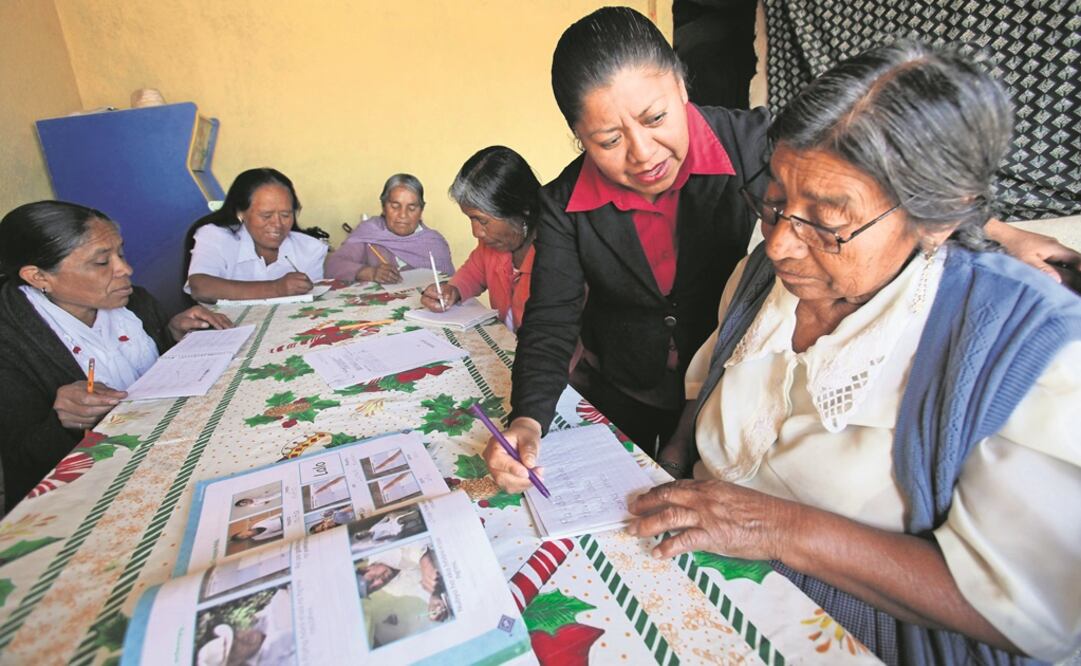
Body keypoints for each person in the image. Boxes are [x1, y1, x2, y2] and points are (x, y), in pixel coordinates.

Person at [626, 42, 1081, 664]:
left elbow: (1032, 613)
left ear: (938, 218)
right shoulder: (762, 277)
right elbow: (704, 391)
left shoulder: (1028, 348)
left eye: (827, 220)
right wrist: (669, 469)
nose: (783, 243)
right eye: (777, 200)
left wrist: (779, 527)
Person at [483, 6, 771, 471]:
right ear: (579, 136)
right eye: (609, 140)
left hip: (727, 394)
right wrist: (529, 419)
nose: (643, 154)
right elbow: (551, 317)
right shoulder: (564, 204)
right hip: (626, 389)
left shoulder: (754, 147)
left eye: (655, 117)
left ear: (681, 85)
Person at [0, 201, 233, 513]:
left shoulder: (133, 302)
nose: (125, 269)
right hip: (86, 499)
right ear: (39, 277)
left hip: (167, 451)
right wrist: (63, 421)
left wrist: (171, 335)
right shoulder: (10, 342)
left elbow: (147, 379)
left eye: (119, 253)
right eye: (101, 262)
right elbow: (21, 460)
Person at [420, 146, 542, 332]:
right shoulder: (494, 243)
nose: (476, 232)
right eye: (471, 218)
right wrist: (452, 290)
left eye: (482, 220)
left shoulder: (556, 251)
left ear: (521, 208)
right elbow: (474, 272)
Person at [186, 168, 327, 302]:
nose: (277, 224)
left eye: (286, 215)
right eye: (266, 215)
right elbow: (201, 287)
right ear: (240, 213)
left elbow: (313, 303)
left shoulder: (310, 248)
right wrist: (276, 289)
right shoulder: (215, 236)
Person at [324, 174, 454, 284]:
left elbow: (449, 284)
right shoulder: (369, 233)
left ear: (421, 211)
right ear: (384, 207)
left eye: (412, 207)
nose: (403, 215)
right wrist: (369, 272)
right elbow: (332, 266)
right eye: (395, 206)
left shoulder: (434, 243)